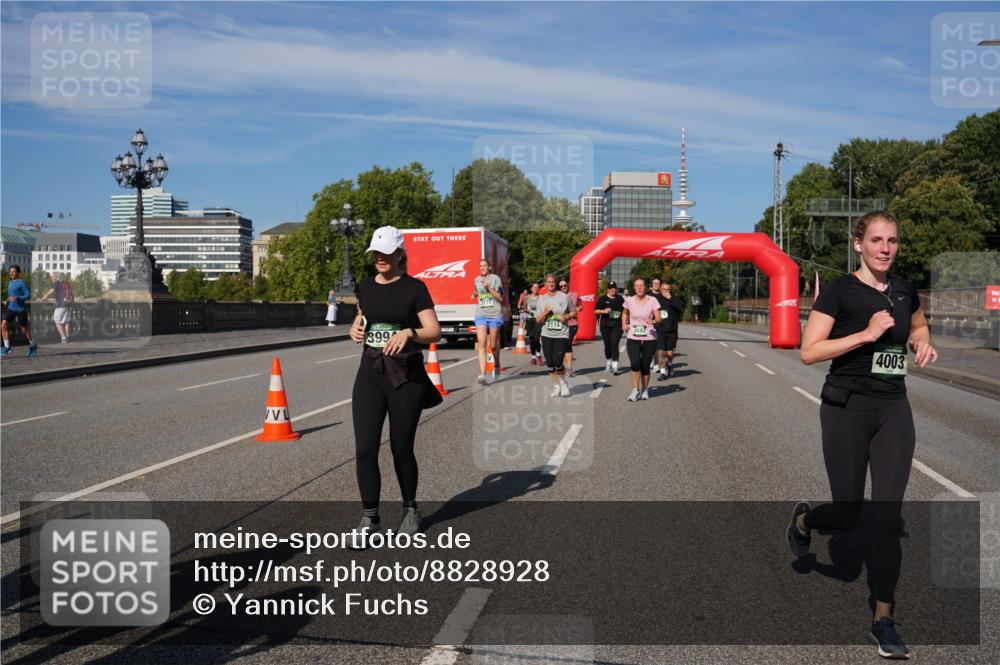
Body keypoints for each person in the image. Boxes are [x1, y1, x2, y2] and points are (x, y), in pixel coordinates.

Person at [792, 211, 937, 660]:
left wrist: (922, 341)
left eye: (892, 240)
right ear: (858, 244)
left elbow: (918, 324)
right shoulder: (840, 291)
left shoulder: (904, 289)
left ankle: (883, 619)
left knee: (888, 516)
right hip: (846, 410)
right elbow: (809, 352)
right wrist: (865, 334)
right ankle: (805, 521)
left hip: (893, 409)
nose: (885, 248)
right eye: (876, 240)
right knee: (848, 513)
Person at [348, 226, 442, 540]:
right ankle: (370, 518)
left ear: (400, 254)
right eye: (376, 252)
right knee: (365, 448)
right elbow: (363, 316)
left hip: (405, 377)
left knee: (401, 447)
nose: (380, 258)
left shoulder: (415, 288)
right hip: (370, 374)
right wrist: (354, 328)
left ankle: (410, 509)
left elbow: (434, 330)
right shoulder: (365, 286)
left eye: (386, 252)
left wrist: (409, 333)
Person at [535, 273, 576, 398]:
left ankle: (563, 383)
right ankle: (556, 386)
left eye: (553, 282)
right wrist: (545, 313)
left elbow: (574, 311)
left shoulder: (564, 297)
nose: (551, 284)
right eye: (548, 282)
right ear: (545, 284)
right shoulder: (541, 299)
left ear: (556, 283)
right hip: (546, 334)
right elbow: (538, 320)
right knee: (550, 364)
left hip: (561, 334)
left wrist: (566, 316)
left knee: (558, 362)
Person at [622, 278, 660, 401]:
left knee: (645, 365)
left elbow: (658, 318)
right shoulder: (629, 301)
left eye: (641, 285)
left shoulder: (652, 300)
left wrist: (654, 321)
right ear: (634, 288)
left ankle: (645, 389)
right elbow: (625, 313)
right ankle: (635, 389)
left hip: (649, 337)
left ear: (645, 287)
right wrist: (624, 324)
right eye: (637, 285)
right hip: (633, 336)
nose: (639, 287)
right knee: (635, 363)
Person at [472, 259, 505, 383]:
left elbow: (501, 298)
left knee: (493, 345)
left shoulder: (496, 279)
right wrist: (474, 294)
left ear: (489, 267)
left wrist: (489, 288)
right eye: (480, 266)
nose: (482, 268)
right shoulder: (476, 280)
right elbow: (477, 292)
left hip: (494, 315)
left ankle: (497, 364)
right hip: (481, 314)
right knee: (481, 343)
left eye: (484, 265)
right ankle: (482, 374)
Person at [2, 265, 37, 357]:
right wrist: (7, 300)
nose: (11, 273)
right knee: (3, 325)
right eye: (10, 272)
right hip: (11, 308)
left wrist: (18, 298)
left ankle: (33, 345)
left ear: (18, 273)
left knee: (24, 329)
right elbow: (12, 296)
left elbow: (28, 295)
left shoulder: (22, 283)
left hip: (20, 309)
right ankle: (7, 347)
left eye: (13, 272)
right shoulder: (10, 282)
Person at [653, 281, 684, 379]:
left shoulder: (674, 299)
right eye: (663, 289)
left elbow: (680, 306)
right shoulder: (656, 300)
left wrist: (670, 298)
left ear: (670, 290)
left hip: (672, 330)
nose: (665, 291)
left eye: (667, 289)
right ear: (660, 289)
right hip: (660, 330)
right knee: (661, 352)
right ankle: (662, 372)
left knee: (669, 353)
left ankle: (669, 364)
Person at [594, 281, 624, 374]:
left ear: (616, 289)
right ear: (608, 289)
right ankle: (608, 364)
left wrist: (625, 322)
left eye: (614, 288)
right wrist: (604, 311)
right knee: (607, 345)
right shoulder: (603, 299)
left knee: (614, 344)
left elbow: (625, 311)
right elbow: (595, 311)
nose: (612, 290)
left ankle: (615, 366)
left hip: (617, 325)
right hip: (605, 325)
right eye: (610, 288)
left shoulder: (620, 299)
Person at [38, 272, 73, 343]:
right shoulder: (66, 283)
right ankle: (67, 337)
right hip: (68, 305)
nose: (51, 277)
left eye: (53, 276)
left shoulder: (57, 283)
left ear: (56, 277)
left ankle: (63, 338)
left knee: (57, 321)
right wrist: (54, 299)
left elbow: (49, 293)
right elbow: (62, 294)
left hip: (61, 306)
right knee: (66, 321)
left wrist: (42, 299)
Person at [558, 279, 580, 377]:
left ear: (568, 285)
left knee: (567, 344)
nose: (563, 287)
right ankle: (566, 367)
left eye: (565, 285)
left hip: (572, 324)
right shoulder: (557, 296)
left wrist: (577, 309)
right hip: (561, 324)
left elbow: (580, 306)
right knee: (562, 346)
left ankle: (569, 368)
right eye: (561, 286)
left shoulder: (575, 295)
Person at [524, 282, 543, 365]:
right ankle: (533, 357)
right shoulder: (527, 297)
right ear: (531, 288)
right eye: (534, 287)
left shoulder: (541, 298)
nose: (536, 288)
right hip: (530, 320)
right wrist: (527, 310)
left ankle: (538, 355)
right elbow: (525, 308)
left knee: (536, 339)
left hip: (538, 320)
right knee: (531, 339)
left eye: (537, 287)